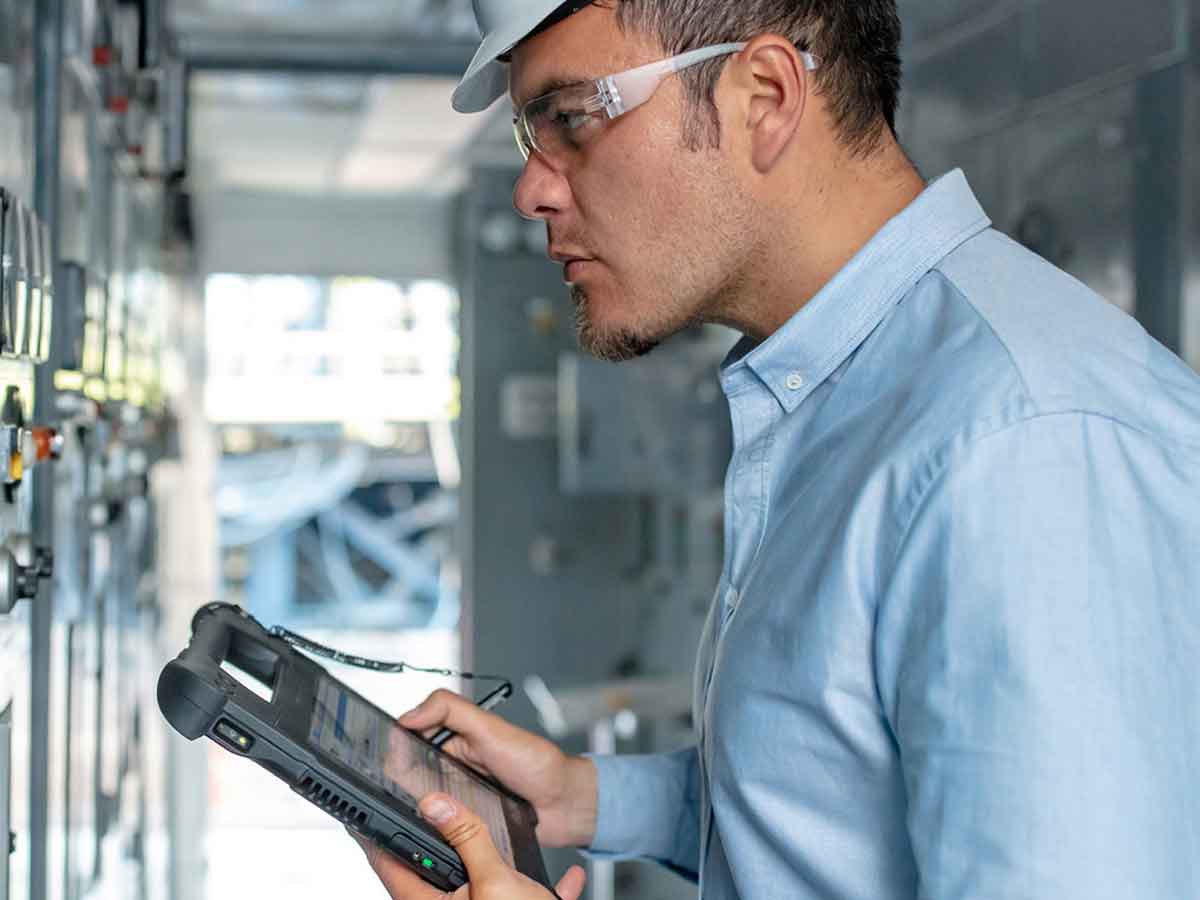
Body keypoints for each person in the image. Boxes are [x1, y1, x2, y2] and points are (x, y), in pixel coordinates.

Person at [360, 1, 1200, 898]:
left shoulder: (1025, 448)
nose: (532, 188)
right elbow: (841, 801)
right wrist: (589, 802)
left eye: (572, 118)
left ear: (764, 96)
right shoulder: (835, 396)